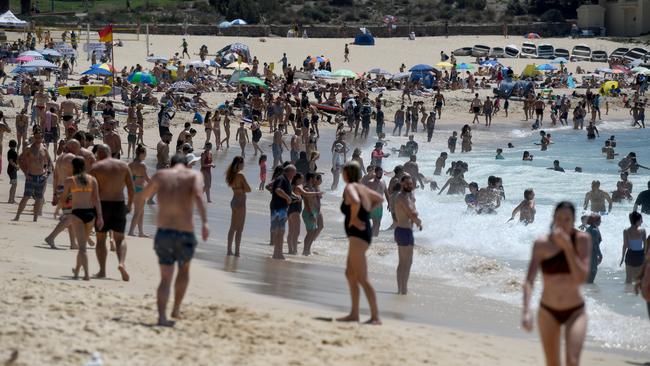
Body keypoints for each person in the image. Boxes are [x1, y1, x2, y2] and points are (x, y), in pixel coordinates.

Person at [141, 153, 209, 327]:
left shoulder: (161, 175)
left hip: (164, 231)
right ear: (186, 164)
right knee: (184, 271)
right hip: (185, 232)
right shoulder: (193, 175)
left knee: (165, 278)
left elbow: (144, 195)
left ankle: (161, 317)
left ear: (170, 165)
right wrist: (205, 223)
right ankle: (176, 308)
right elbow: (200, 197)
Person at [522, 202, 591, 366]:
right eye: (559, 218)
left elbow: (581, 278)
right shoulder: (541, 244)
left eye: (567, 219)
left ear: (574, 220)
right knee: (552, 363)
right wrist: (526, 311)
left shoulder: (582, 240)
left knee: (572, 361)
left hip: (575, 311)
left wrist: (567, 248)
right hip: (548, 311)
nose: (563, 222)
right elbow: (529, 280)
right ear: (554, 218)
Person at [338, 162, 383, 325]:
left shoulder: (350, 188)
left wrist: (355, 218)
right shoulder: (362, 187)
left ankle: (375, 317)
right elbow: (379, 198)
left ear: (347, 174)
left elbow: (356, 202)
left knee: (362, 278)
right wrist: (367, 210)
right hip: (361, 234)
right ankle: (354, 313)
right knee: (350, 274)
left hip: (358, 235)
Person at [89, 144, 134, 281]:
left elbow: (90, 189)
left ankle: (102, 271)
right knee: (120, 239)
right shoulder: (123, 166)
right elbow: (131, 189)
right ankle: (121, 263)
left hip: (102, 205)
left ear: (100, 154)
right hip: (119, 203)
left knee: (101, 239)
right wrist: (129, 205)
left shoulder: (96, 167)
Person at [58, 157, 103, 281]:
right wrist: (100, 217)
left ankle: (86, 275)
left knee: (82, 248)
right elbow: (96, 200)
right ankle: (77, 271)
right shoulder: (92, 180)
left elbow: (62, 199)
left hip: (77, 214)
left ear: (73, 167)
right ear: (84, 167)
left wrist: (61, 208)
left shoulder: (70, 180)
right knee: (82, 246)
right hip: (90, 214)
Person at [13, 130, 52, 222]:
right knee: (26, 197)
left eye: (40, 137)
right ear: (34, 138)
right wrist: (25, 173)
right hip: (31, 176)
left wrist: (47, 173)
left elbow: (50, 161)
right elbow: (19, 159)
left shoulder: (44, 148)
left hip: (41, 176)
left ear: (42, 138)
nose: (38, 139)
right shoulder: (29, 148)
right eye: (36, 137)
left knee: (39, 198)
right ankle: (17, 216)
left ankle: (35, 219)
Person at [393, 175, 422, 295]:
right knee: (407, 262)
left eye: (410, 184)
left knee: (403, 262)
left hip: (402, 230)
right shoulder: (402, 197)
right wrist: (418, 222)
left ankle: (401, 288)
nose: (409, 185)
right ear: (402, 184)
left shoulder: (406, 196)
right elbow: (411, 212)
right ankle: (403, 289)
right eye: (406, 184)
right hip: (404, 231)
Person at [225, 156, 251, 257]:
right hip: (241, 201)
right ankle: (237, 252)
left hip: (234, 200)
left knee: (232, 227)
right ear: (240, 163)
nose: (244, 165)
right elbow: (248, 189)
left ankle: (229, 250)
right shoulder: (240, 175)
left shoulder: (231, 174)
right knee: (239, 229)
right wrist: (244, 188)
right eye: (243, 163)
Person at [270, 165, 297, 260]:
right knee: (280, 231)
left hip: (279, 207)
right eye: (294, 172)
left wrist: (291, 197)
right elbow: (278, 190)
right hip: (279, 208)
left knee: (279, 231)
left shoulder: (284, 180)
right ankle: (278, 253)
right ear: (289, 172)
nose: (294, 175)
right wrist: (287, 197)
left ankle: (277, 253)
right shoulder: (282, 179)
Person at [127, 145, 150, 237]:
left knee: (141, 211)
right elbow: (147, 179)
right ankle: (131, 231)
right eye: (145, 153)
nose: (146, 155)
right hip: (140, 189)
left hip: (132, 189)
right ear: (141, 153)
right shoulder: (142, 165)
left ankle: (141, 232)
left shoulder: (130, 164)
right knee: (138, 211)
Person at [621, 212, 647, 284]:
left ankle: (627, 293)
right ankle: (636, 294)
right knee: (639, 279)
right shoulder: (643, 231)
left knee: (628, 279)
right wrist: (645, 256)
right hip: (640, 255)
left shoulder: (626, 231)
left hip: (630, 255)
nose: (642, 221)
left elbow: (625, 245)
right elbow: (645, 244)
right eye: (641, 220)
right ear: (637, 221)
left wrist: (622, 258)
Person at [302, 173, 324, 256]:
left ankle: (307, 250)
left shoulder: (312, 188)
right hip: (309, 212)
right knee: (310, 233)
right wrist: (312, 214)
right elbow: (308, 203)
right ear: (311, 179)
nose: (316, 179)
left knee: (312, 232)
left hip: (313, 212)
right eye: (315, 178)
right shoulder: (307, 189)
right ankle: (305, 250)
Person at [585, 214, 603, 284]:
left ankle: (587, 290)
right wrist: (600, 254)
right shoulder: (594, 230)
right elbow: (595, 244)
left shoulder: (589, 229)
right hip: (592, 253)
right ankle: (589, 289)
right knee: (592, 272)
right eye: (599, 220)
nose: (601, 221)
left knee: (589, 273)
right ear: (594, 221)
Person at [7, 139, 18, 204]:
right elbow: (11, 161)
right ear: (15, 145)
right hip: (12, 170)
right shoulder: (12, 152)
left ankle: (11, 199)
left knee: (14, 185)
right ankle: (11, 199)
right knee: (14, 185)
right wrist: (16, 166)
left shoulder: (10, 151)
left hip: (11, 169)